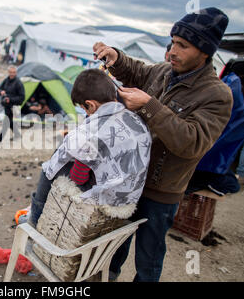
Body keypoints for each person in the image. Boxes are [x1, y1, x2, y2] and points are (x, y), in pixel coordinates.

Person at [93, 7, 232, 282]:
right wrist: (116, 57)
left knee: (148, 258)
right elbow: (137, 70)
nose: (172, 52)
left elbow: (191, 142)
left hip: (161, 191)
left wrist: (149, 106)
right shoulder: (164, 71)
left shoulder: (217, 95)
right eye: (172, 42)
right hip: (129, 180)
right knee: (113, 245)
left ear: (205, 52)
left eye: (183, 45)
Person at [28, 69, 152, 227]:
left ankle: (35, 220)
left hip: (101, 196)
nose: (86, 113)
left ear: (90, 105)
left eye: (84, 109)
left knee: (50, 168)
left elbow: (77, 179)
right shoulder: (137, 121)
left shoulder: (91, 133)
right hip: (127, 196)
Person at [0, 65, 25, 142]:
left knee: (7, 121)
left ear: (16, 73)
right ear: (8, 72)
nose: (12, 74)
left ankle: (0, 138)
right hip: (6, 105)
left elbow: (22, 97)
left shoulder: (18, 83)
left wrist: (10, 99)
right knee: (9, 121)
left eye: (14, 72)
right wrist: (1, 92)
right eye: (11, 72)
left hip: (14, 106)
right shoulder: (6, 80)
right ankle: (18, 135)